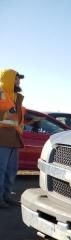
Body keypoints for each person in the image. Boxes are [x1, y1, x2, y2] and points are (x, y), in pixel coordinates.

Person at [0, 69, 25, 208]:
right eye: (16, 78)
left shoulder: (17, 97)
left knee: (11, 170)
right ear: (9, 79)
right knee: (0, 171)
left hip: (14, 140)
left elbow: (17, 118)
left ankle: (6, 196)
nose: (19, 81)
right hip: (1, 140)